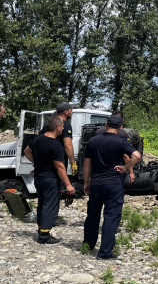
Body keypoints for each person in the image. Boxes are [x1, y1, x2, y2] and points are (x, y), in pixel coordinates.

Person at [82, 115, 141, 259]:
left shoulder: (92, 141)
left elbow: (86, 165)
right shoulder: (121, 142)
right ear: (121, 127)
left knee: (93, 215)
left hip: (96, 182)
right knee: (111, 217)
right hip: (113, 183)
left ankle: (88, 246)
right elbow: (136, 155)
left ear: (105, 124)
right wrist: (125, 167)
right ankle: (104, 252)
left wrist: (86, 182)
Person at [23, 117, 75, 244]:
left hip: (39, 178)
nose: (63, 128)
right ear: (58, 128)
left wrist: (38, 164)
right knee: (50, 205)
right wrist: (68, 185)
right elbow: (59, 166)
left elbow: (26, 151)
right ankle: (44, 236)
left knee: (42, 203)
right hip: (50, 179)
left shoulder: (37, 139)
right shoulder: (56, 144)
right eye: (62, 126)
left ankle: (41, 229)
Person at [94, 111, 136, 184]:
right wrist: (131, 172)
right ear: (122, 122)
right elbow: (125, 155)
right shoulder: (122, 134)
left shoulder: (98, 132)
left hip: (98, 174)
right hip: (115, 173)